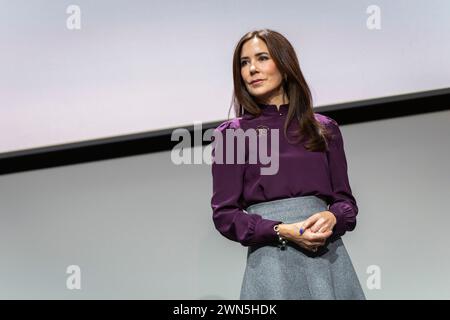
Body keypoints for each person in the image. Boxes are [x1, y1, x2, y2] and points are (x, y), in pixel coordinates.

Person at [210, 29, 366, 300]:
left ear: (285, 64)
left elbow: (345, 203)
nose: (252, 69)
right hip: (272, 261)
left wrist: (333, 217)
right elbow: (225, 215)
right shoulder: (231, 134)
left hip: (327, 255)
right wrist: (281, 230)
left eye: (261, 58)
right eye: (244, 63)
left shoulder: (324, 129)